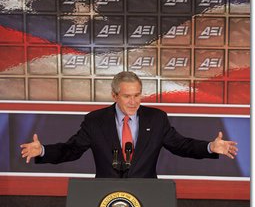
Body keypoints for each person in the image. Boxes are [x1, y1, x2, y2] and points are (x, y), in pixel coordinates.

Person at [20, 71, 238, 178]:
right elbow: (72, 150)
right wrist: (43, 151)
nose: (134, 101)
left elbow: (182, 145)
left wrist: (210, 147)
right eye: (127, 96)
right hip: (105, 194)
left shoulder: (157, 118)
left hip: (146, 194)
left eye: (137, 95)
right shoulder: (95, 121)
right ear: (115, 95)